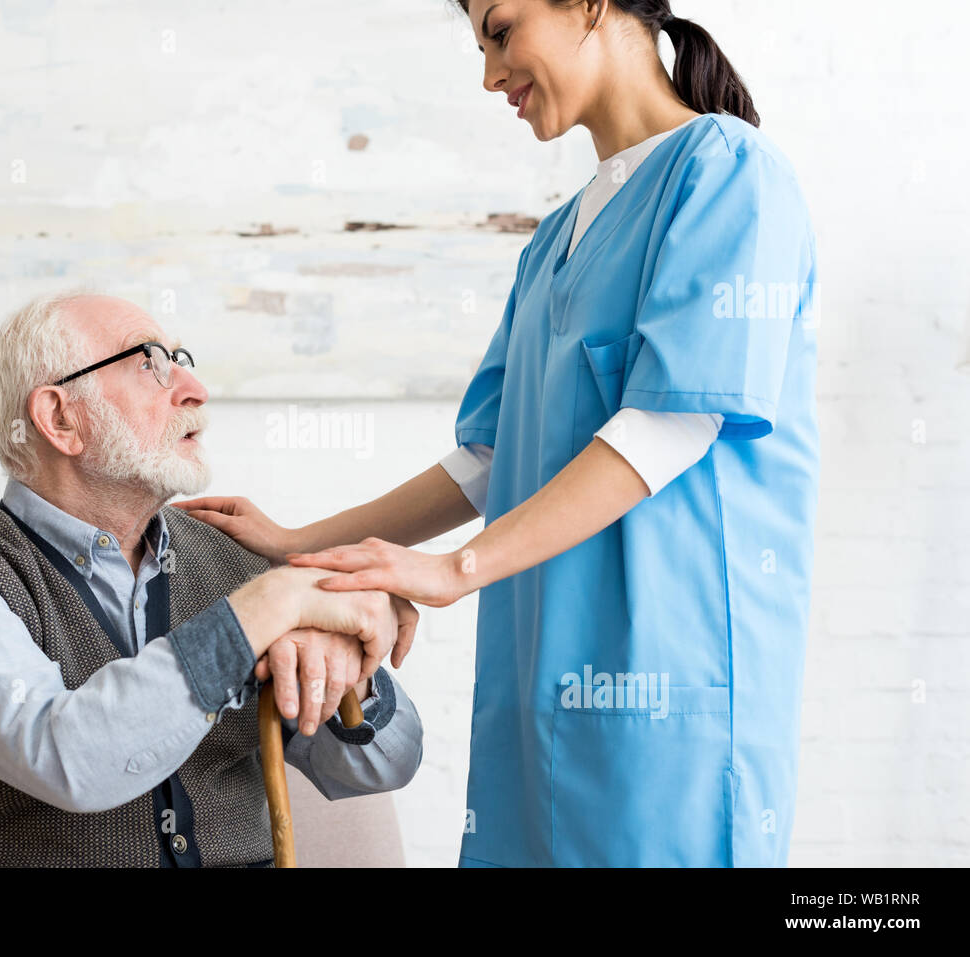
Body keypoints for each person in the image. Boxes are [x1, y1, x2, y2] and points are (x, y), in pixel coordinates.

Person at [176, 0, 819, 867]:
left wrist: (453, 570)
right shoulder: (553, 241)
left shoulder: (730, 175)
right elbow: (487, 456)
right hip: (539, 682)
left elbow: (669, 424)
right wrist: (304, 542)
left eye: (502, 32)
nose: (490, 75)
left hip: (666, 685)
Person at [0, 291, 423, 867]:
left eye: (179, 359)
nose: (195, 390)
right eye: (149, 364)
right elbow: (68, 760)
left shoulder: (234, 558)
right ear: (60, 418)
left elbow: (379, 766)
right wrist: (269, 605)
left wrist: (348, 659)